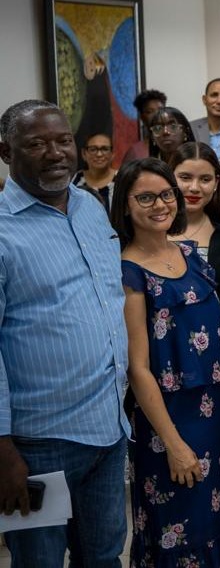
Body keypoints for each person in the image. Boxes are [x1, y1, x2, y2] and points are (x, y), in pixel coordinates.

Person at [112, 158, 220, 567]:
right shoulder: (128, 273)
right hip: (173, 421)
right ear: (125, 205)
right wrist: (174, 445)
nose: (159, 204)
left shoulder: (190, 254)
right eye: (145, 197)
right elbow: (137, 368)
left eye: (166, 195)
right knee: (184, 524)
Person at [0, 100, 130, 566]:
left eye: (62, 140)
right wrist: (2, 451)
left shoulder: (91, 207)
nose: (55, 152)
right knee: (40, 561)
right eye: (36, 143)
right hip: (37, 446)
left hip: (108, 431)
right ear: (5, 151)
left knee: (104, 556)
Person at [168, 142, 220, 309]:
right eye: (185, 178)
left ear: (216, 183)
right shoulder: (152, 232)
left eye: (205, 179)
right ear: (170, 178)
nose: (194, 188)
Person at [123, 89, 169, 163]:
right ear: (142, 117)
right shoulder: (135, 152)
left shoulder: (178, 145)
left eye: (160, 110)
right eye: (150, 111)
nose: (156, 114)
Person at [73, 131, 116, 208]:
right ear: (83, 153)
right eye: (93, 149)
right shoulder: (74, 181)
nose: (99, 154)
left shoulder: (122, 180)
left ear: (112, 153)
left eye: (105, 149)